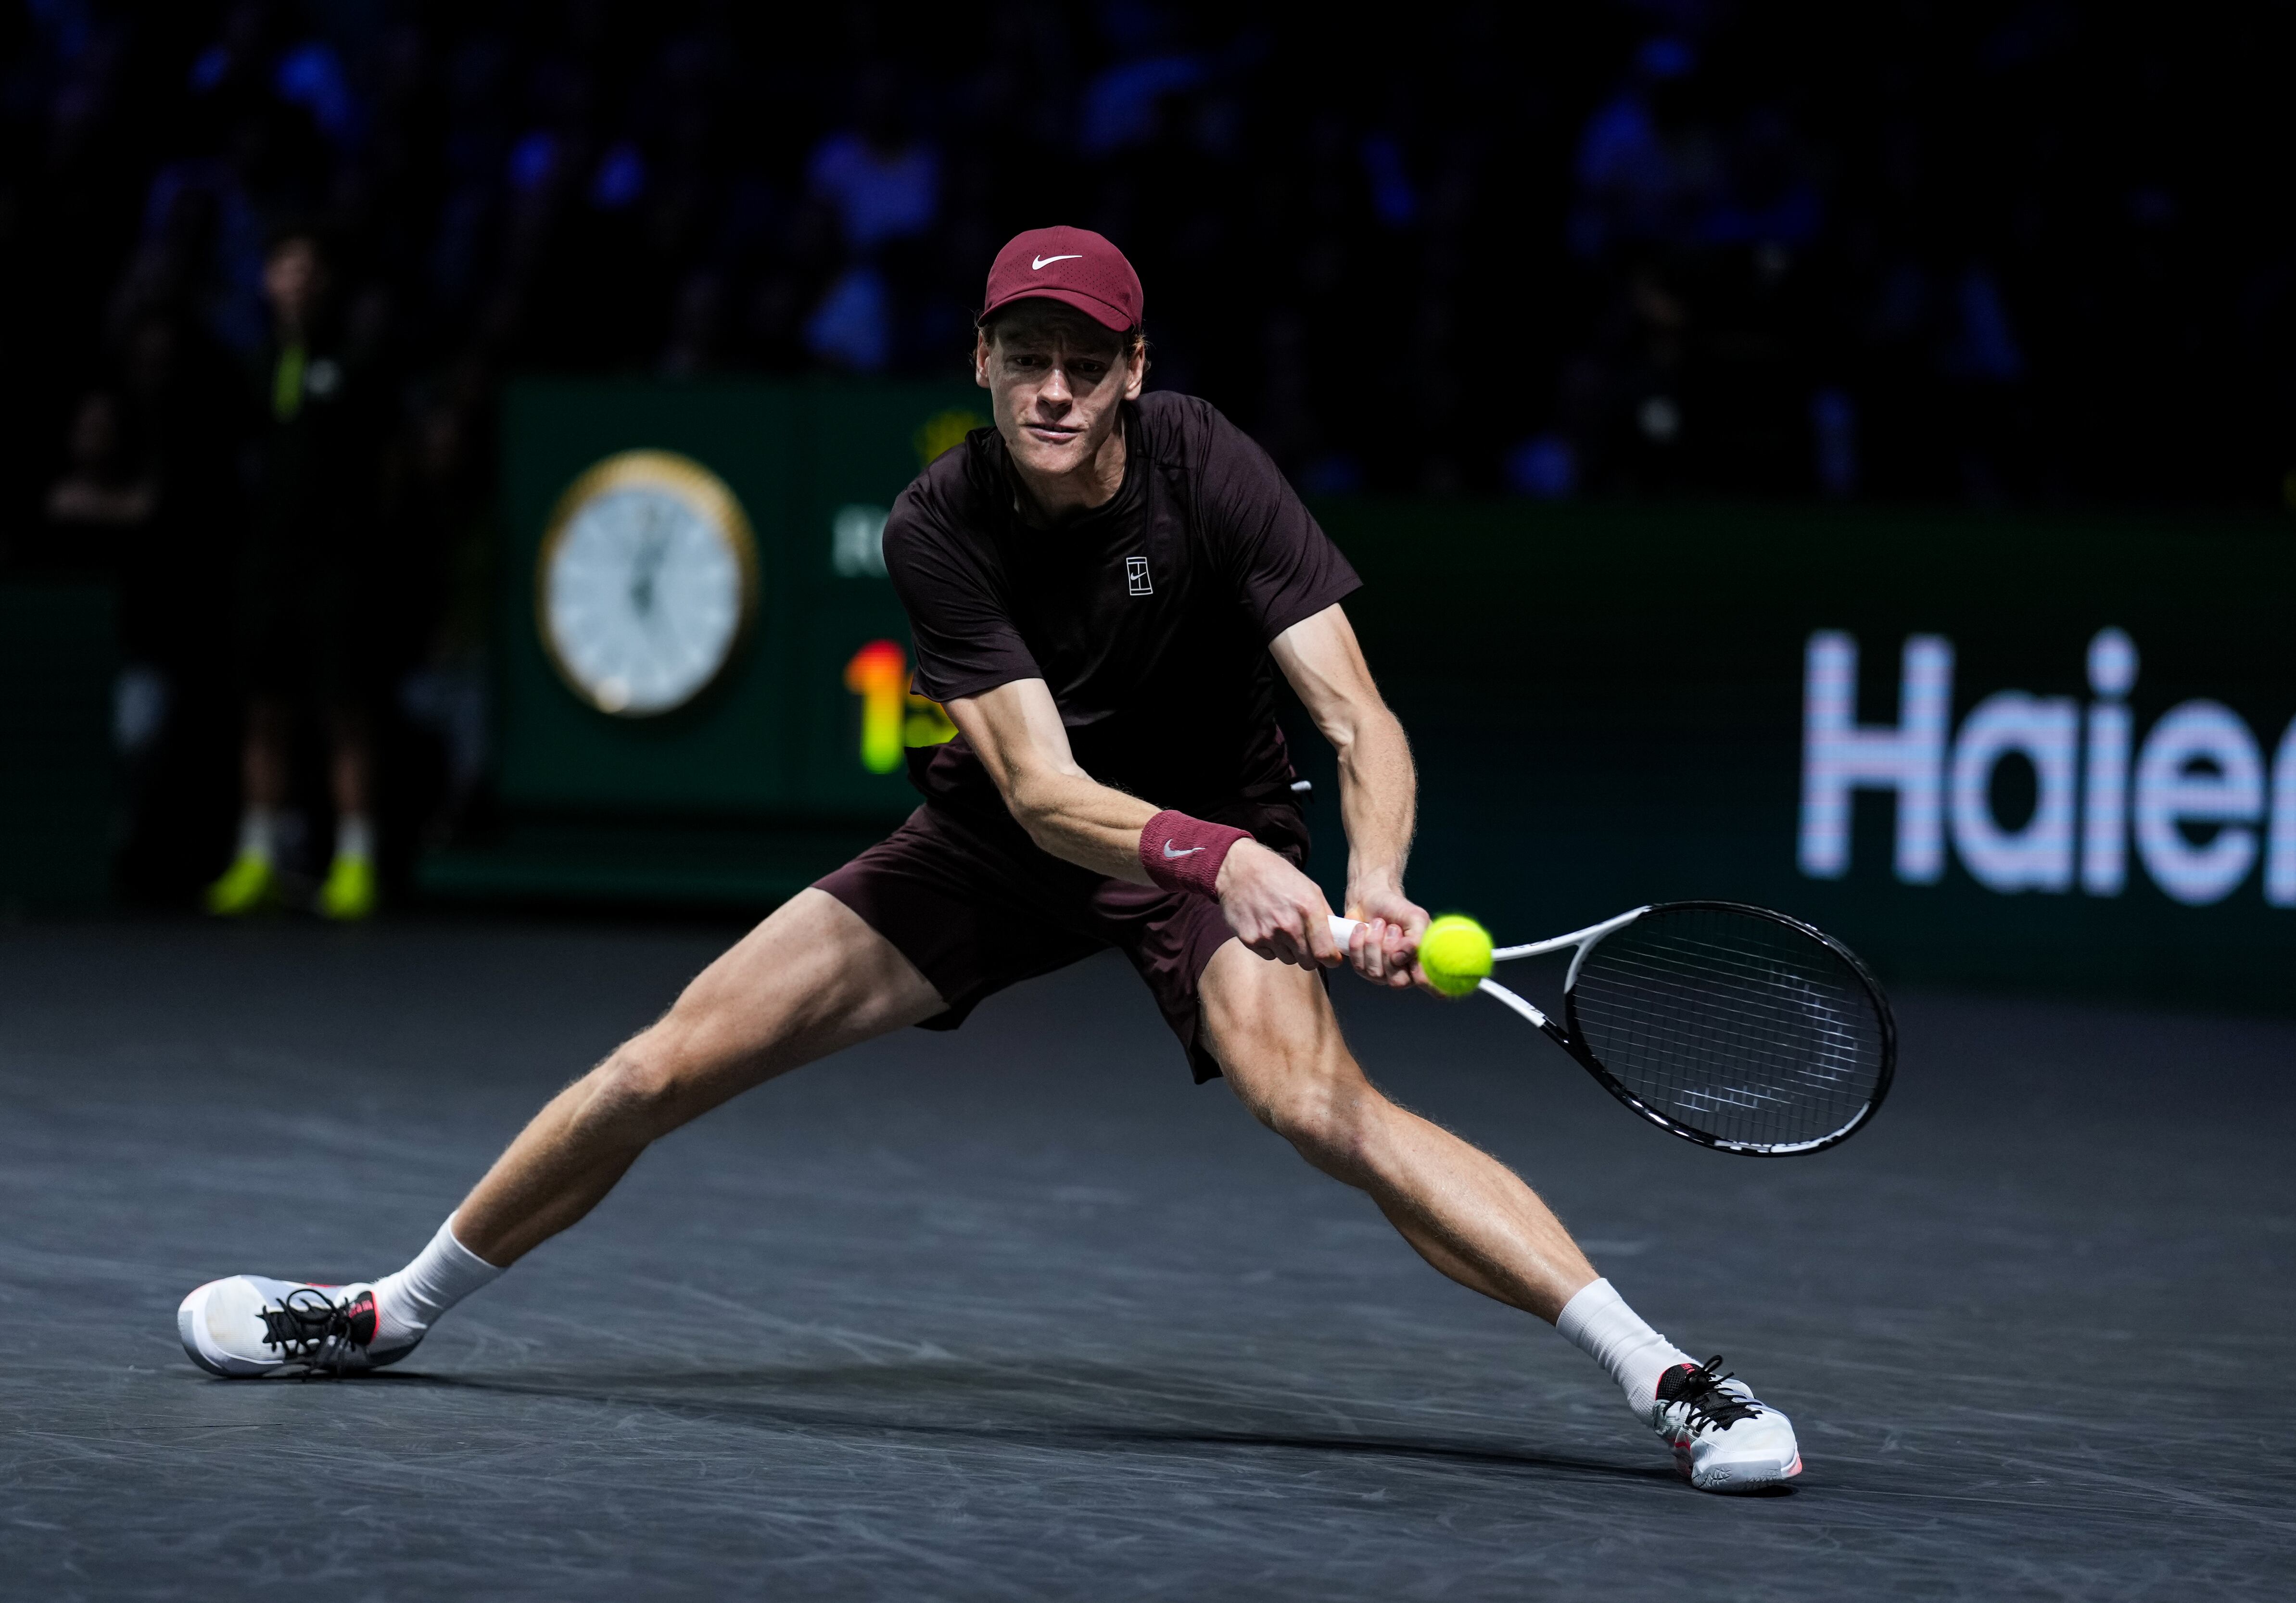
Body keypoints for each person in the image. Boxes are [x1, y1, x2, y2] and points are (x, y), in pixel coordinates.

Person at [176, 227, 1802, 1492]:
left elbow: (1360, 716)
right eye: (1024, 358)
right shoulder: (934, 522)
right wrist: (1213, 854)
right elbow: (1037, 788)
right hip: (1009, 839)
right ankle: (389, 1307)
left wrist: (1374, 877)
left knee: (1319, 1106)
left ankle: (1670, 1378)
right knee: (665, 1059)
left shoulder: (1213, 466)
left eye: (1084, 364)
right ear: (983, 361)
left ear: (1133, 371)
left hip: (1221, 829)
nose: (1052, 391)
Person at [202, 227, 384, 921]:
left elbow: (381, 476)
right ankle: (258, 858)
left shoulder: (357, 365)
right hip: (266, 569)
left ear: (327, 282)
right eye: (284, 267)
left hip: (337, 571)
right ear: (266, 280)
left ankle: (356, 860)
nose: (296, 280)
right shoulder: (249, 368)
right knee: (264, 712)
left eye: (309, 268)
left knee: (346, 714)